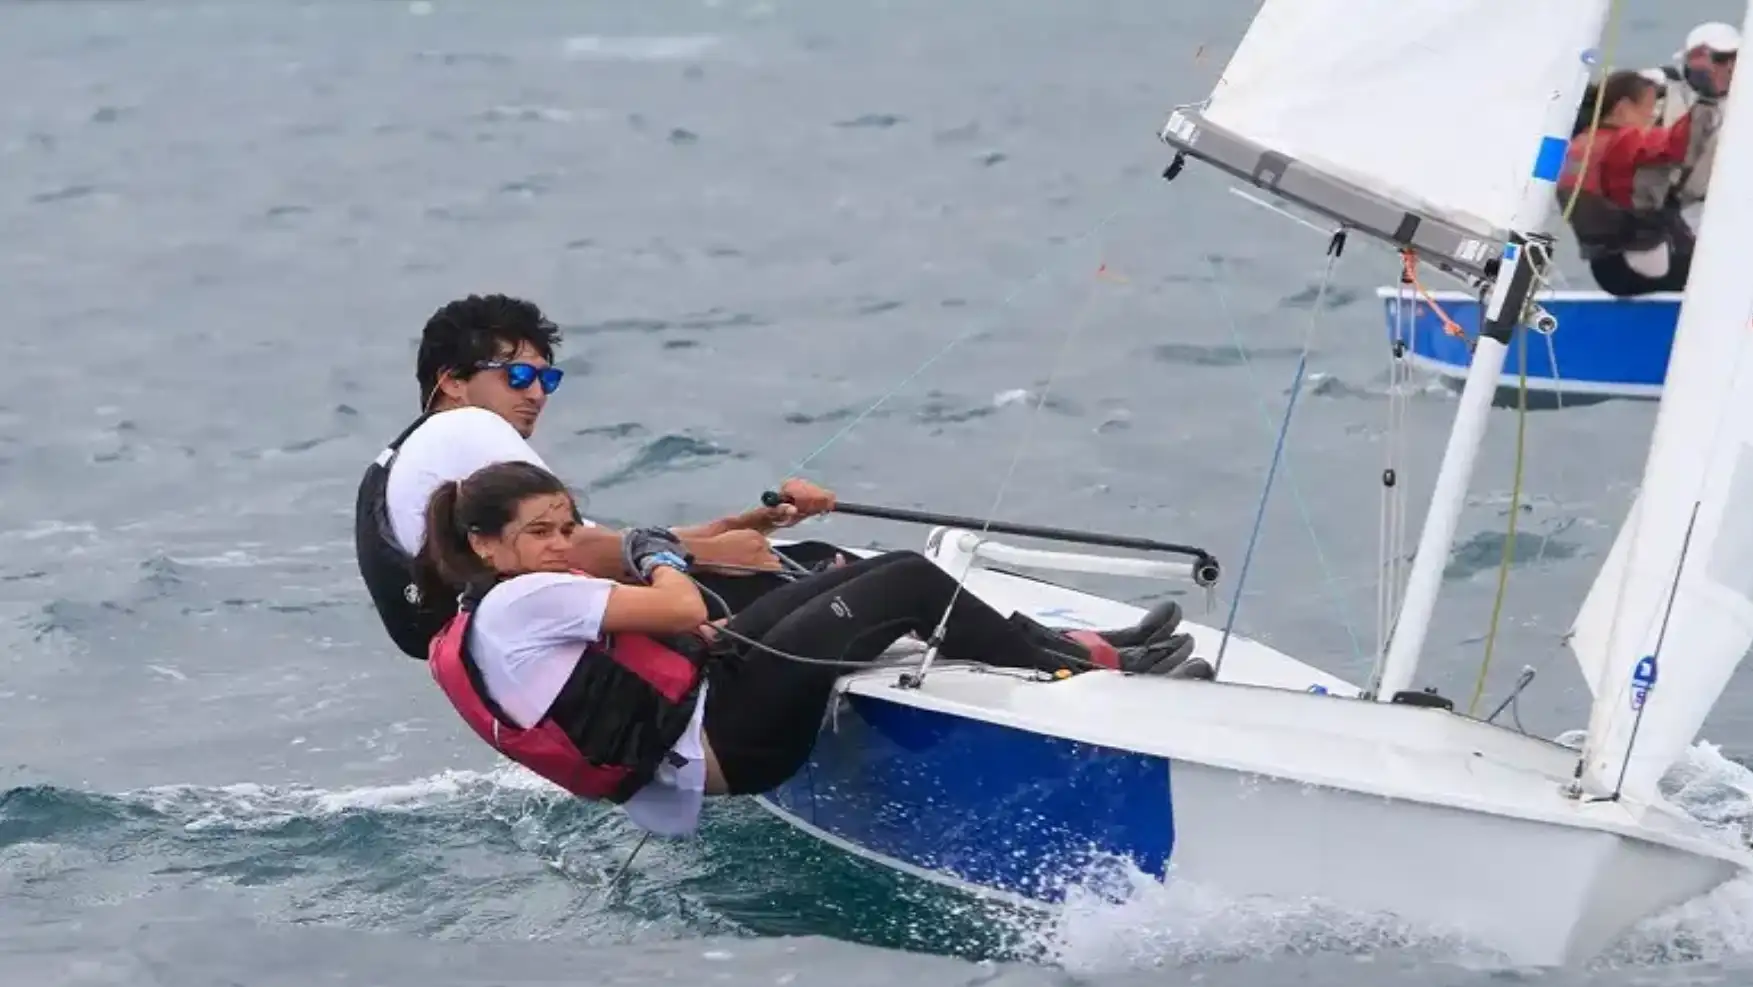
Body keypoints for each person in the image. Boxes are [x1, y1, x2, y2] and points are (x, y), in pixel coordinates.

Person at [416, 461, 1207, 834]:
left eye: (566, 526)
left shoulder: (486, 607)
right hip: (729, 742)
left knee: (846, 572)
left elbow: (656, 627)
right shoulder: (530, 595)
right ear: (486, 545)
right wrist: (656, 551)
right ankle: (1086, 668)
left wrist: (711, 557)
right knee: (902, 581)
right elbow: (679, 598)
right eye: (540, 534)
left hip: (707, 723)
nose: (561, 544)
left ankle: (1084, 647)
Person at [353, 293, 852, 661]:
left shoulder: (417, 452)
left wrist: (746, 524)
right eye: (519, 376)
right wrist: (714, 553)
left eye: (547, 380)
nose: (537, 394)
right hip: (550, 633)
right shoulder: (468, 427)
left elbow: (595, 546)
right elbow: (580, 553)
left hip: (515, 653)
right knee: (851, 571)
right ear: (453, 381)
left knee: (778, 562)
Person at [1557, 70, 1712, 297]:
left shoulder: (1581, 143)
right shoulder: (1620, 141)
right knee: (1721, 271)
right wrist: (1707, 104)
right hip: (1639, 264)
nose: (1652, 117)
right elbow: (1675, 144)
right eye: (1648, 110)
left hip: (1607, 267)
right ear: (1622, 109)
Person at [1634, 22, 1739, 218]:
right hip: (1640, 204)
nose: (1728, 66)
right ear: (1691, 59)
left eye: (1733, 57)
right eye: (1719, 58)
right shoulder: (1658, 85)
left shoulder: (1745, 105)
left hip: (1696, 210)